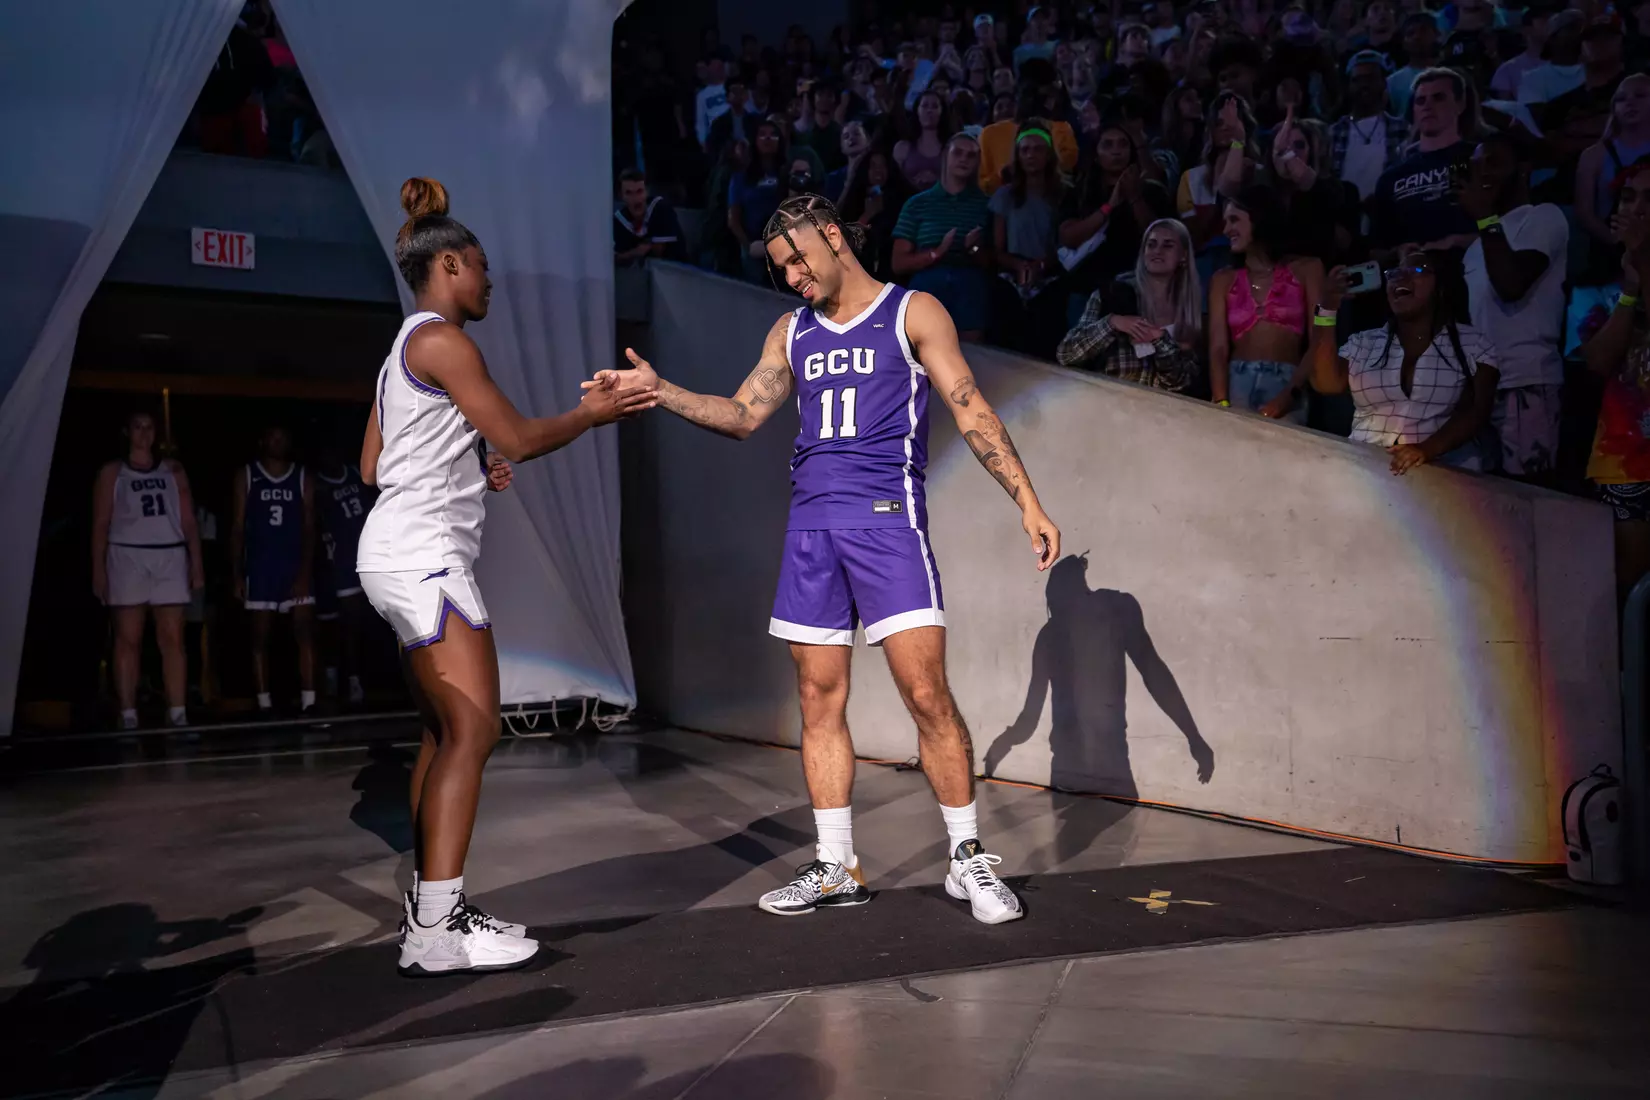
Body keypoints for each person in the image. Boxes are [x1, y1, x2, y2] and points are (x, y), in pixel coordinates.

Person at [591, 193, 1061, 925]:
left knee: (926, 695)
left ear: (834, 237)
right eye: (779, 269)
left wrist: (1027, 500)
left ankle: (967, 859)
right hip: (811, 530)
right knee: (818, 699)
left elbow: (970, 406)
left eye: (797, 260)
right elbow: (745, 416)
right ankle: (836, 864)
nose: (791, 277)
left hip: (887, 526)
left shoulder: (913, 312)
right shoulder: (791, 331)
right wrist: (661, 392)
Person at [362, 178, 654, 976]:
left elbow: (373, 462)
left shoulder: (404, 347)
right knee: (476, 730)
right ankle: (436, 927)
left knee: (443, 732)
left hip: (395, 551)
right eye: (482, 269)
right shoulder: (445, 343)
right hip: (424, 554)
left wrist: (463, 452)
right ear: (449, 265)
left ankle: (430, 911)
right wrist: (593, 415)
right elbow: (522, 439)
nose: (491, 283)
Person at [1311, 247, 1500, 474]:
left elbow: (1476, 411)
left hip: (1440, 479)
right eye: (1394, 273)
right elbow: (1325, 383)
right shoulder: (1364, 342)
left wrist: (1426, 449)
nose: (1400, 277)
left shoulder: (1474, 345)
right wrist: (1327, 309)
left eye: (1417, 269)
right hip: (1365, 471)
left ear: (1443, 285)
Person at [1458, 132, 1568, 480]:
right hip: (1481, 390)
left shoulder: (1543, 217)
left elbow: (1512, 285)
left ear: (1523, 170)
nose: (1481, 172)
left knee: (1529, 500)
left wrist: (1485, 218)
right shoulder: (1477, 246)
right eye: (1475, 165)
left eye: (1493, 162)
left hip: (1526, 382)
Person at [91, 410, 204, 730]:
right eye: (137, 427)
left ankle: (178, 713)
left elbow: (189, 521)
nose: (144, 433)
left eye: (149, 427)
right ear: (127, 432)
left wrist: (196, 563)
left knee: (173, 638)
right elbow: (100, 523)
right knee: (128, 638)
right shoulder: (113, 472)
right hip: (127, 556)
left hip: (168, 555)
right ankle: (128, 715)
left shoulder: (174, 470)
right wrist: (98, 569)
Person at [1580, 159, 1650, 603]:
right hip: (1625, 458)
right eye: (1629, 198)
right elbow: (1599, 361)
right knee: (1632, 592)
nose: (1638, 208)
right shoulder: (1600, 290)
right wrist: (1632, 281)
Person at [1208, 186, 1324, 420]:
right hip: (1236, 382)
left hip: (1288, 384)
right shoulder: (1222, 280)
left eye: (1234, 220)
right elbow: (1218, 349)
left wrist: (1287, 396)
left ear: (1259, 218)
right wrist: (1220, 402)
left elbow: (1319, 341)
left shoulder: (1308, 269)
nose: (1226, 229)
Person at [1056, 217, 1203, 392]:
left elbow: (1180, 381)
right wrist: (1111, 323)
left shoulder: (1187, 309)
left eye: (1168, 245)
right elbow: (1066, 354)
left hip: (1159, 413)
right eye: (1151, 244)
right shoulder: (1111, 295)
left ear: (1184, 255)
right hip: (1106, 405)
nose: (1158, 250)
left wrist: (1159, 340)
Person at [231, 424, 317, 716]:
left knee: (304, 632)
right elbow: (237, 527)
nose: (278, 442)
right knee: (260, 637)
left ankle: (310, 700)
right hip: (261, 565)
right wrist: (237, 573)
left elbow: (309, 527)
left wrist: (305, 572)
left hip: (293, 563)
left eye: (283, 437)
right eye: (273, 436)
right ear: (263, 440)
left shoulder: (302, 476)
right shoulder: (247, 475)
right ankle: (264, 703)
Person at [892, 134, 994, 341]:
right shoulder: (917, 203)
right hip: (928, 282)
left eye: (971, 155)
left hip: (970, 284)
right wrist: (935, 254)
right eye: (958, 152)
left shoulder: (986, 205)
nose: (964, 159)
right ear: (946, 155)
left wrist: (974, 250)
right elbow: (898, 263)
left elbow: (994, 264)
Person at [1369, 68, 1478, 254]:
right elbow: (1376, 248)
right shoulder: (1392, 177)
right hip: (1410, 274)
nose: (1428, 106)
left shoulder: (1480, 159)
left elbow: (1506, 227)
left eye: (1438, 97)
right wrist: (1398, 252)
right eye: (1420, 101)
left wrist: (1462, 241)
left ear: (1460, 105)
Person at [989, 123, 1070, 357]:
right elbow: (998, 248)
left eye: (1037, 149)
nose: (1030, 155)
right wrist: (1018, 266)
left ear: (1048, 154)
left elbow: (1067, 242)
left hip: (1052, 272)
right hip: (1013, 272)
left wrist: (1042, 265)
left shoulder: (1063, 193)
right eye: (1024, 150)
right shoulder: (1005, 195)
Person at [312, 449, 374, 706]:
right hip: (328, 563)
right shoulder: (315, 485)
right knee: (328, 628)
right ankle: (330, 678)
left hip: (354, 561)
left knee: (352, 626)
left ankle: (354, 679)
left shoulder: (356, 475)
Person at [1576, 75, 1650, 284]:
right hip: (1609, 249)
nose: (1630, 102)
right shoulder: (1593, 156)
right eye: (1621, 98)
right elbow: (1584, 212)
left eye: (1640, 95)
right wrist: (1616, 241)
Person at [1331, 51, 1410, 207]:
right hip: (1344, 221)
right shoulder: (1333, 133)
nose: (1364, 85)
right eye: (1357, 80)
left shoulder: (1402, 130)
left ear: (1384, 82)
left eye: (1370, 78)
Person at [729, 118, 791, 283]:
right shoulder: (741, 177)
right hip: (753, 246)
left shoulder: (787, 172)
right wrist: (748, 246)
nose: (768, 138)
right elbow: (733, 219)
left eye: (773, 135)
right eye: (762, 134)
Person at [614, 168, 685, 265]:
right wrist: (637, 251)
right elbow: (617, 258)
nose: (636, 199)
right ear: (621, 196)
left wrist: (632, 253)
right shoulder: (619, 220)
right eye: (629, 193)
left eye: (639, 191)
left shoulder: (660, 208)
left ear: (647, 191)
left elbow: (658, 252)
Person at [894, 91, 954, 190]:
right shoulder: (902, 147)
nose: (929, 110)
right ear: (917, 111)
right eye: (925, 106)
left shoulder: (952, 148)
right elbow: (895, 183)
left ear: (942, 112)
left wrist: (937, 181)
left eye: (935, 106)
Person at [1386, 13, 1441, 118]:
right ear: (1403, 43)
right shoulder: (1392, 82)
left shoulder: (1450, 75)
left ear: (1437, 35)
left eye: (1423, 31)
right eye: (1410, 33)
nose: (1417, 37)